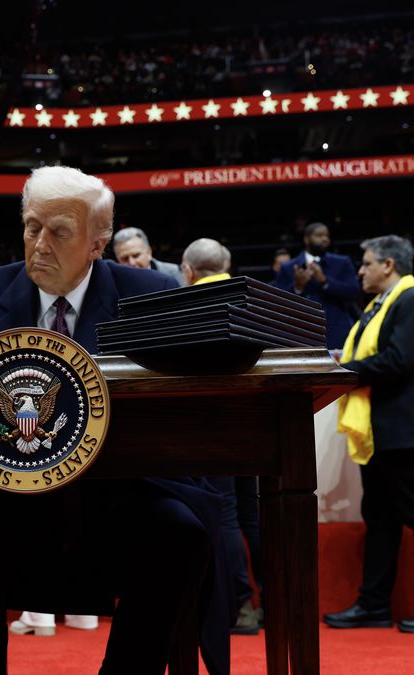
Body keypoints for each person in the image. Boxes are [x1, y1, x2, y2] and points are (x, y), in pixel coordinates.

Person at [0, 166, 229, 675]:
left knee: (181, 532)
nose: (39, 244)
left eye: (59, 232)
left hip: (119, 496)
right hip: (3, 502)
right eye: (32, 226)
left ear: (97, 243)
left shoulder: (149, 293)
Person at [324, 236, 414, 634]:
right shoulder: (378, 307)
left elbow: (398, 359)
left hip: (405, 429)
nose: (360, 271)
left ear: (388, 265)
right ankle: (373, 604)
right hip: (380, 430)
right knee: (381, 519)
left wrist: (345, 372)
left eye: (366, 263)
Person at [179, 238, 264, 635]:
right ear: (227, 263)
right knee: (254, 515)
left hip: (212, 423)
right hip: (258, 421)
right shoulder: (256, 298)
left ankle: (240, 603)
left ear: (188, 271)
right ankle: (275, 598)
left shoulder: (183, 305)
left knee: (226, 515)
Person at [272, 222, 362, 349]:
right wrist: (298, 287)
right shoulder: (288, 267)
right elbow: (277, 303)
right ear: (306, 239)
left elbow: (354, 293)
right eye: (319, 235)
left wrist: (325, 281)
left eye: (327, 236)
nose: (324, 239)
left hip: (336, 332)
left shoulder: (342, 262)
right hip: (300, 333)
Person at [112, 226, 185, 285]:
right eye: (124, 259)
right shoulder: (113, 282)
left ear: (149, 253)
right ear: (117, 260)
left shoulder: (172, 272)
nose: (132, 263)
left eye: (136, 255)